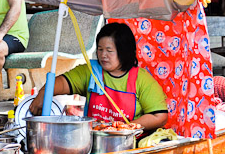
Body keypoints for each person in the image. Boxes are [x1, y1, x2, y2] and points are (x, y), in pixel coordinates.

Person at [29, 23, 168, 132]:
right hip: (93, 140)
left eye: (109, 51)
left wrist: (125, 129)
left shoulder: (141, 79)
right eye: (100, 50)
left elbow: (159, 116)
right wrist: (43, 93)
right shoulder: (90, 71)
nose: (103, 55)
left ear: (124, 52)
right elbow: (62, 83)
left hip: (129, 145)